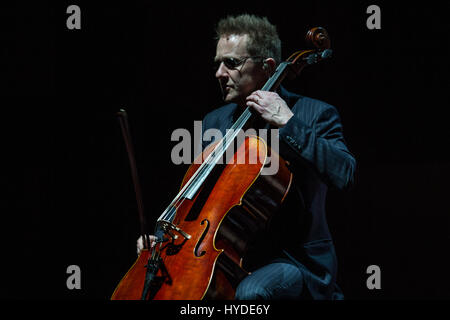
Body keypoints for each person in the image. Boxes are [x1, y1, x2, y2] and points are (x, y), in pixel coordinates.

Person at [137, 14, 355, 300]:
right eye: (218, 63)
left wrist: (288, 123)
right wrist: (163, 240)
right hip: (222, 255)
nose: (219, 73)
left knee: (251, 294)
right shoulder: (214, 122)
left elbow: (345, 174)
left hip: (293, 260)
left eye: (232, 63)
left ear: (268, 67)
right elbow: (196, 202)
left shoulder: (313, 114)